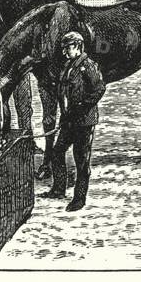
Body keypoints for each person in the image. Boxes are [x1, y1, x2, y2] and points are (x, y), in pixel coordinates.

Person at [41, 31, 106, 211]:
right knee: (57, 152)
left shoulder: (88, 65)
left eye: (68, 48)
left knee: (81, 160)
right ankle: (58, 189)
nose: (64, 52)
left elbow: (99, 89)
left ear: (78, 46)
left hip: (84, 121)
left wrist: (81, 107)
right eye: (64, 48)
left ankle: (79, 199)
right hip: (69, 120)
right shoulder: (68, 66)